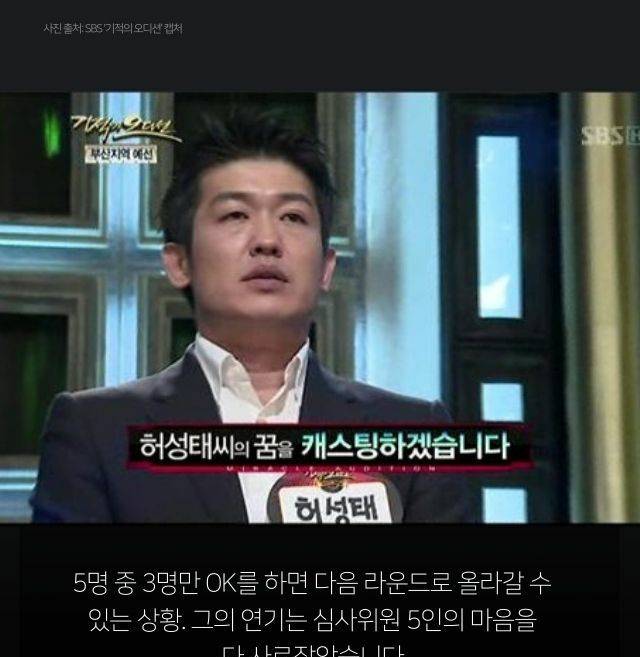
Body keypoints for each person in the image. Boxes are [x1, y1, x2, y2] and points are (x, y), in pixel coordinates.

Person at [29, 109, 479, 523]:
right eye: (235, 214)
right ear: (179, 262)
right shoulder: (96, 430)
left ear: (326, 267)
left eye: (292, 217)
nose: (267, 240)